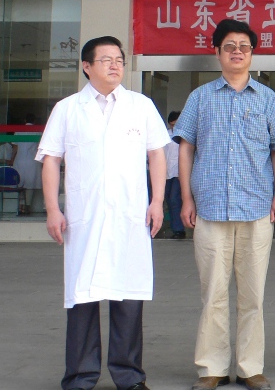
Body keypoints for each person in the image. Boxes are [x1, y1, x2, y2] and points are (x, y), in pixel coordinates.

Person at [36, 36, 169, 390]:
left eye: (119, 60)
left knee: (129, 299)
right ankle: (80, 377)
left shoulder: (140, 105)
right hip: (85, 217)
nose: (115, 65)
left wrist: (157, 201)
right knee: (82, 299)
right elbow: (51, 160)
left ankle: (130, 377)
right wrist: (52, 209)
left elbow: (157, 154)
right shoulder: (67, 109)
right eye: (106, 59)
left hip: (130, 216)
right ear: (86, 66)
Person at [175, 19, 275, 390]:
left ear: (252, 53)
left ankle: (249, 367)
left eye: (244, 46)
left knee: (252, 294)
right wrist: (186, 198)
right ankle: (211, 368)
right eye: (229, 46)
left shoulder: (268, 99)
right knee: (212, 294)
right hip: (210, 208)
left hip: (257, 209)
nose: (237, 52)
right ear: (217, 52)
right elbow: (186, 148)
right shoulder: (200, 98)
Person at [13, 114, 43, 215]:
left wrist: (11, 159)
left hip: (19, 160)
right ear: (34, 121)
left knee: (20, 184)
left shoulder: (19, 130)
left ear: (25, 120)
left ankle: (20, 206)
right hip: (32, 161)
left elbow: (15, 147)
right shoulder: (38, 131)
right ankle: (27, 207)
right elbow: (41, 148)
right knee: (30, 185)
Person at [164, 110, 185, 239]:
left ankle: (179, 229)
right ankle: (174, 228)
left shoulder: (184, 136)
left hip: (179, 172)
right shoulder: (165, 135)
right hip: (166, 173)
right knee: (169, 200)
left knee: (174, 199)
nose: (174, 126)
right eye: (172, 124)